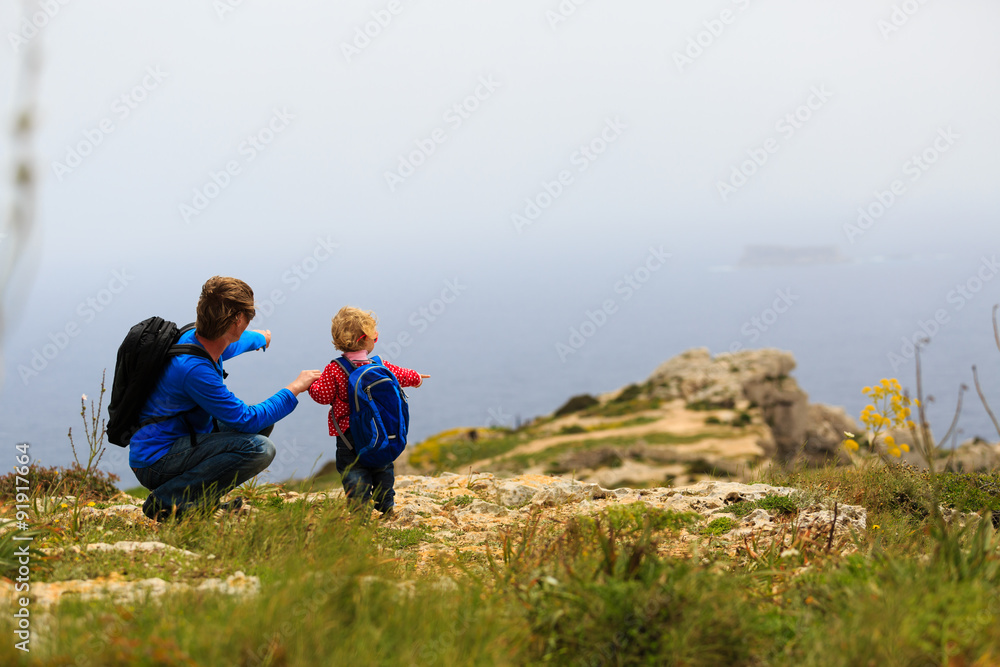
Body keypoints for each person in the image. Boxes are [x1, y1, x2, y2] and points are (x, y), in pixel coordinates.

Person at [129, 276, 321, 521]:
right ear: (238, 321)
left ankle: (199, 502)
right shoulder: (193, 369)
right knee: (260, 449)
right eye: (248, 318)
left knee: (265, 422)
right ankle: (167, 502)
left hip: (176, 440)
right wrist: (294, 388)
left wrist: (261, 338)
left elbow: (234, 344)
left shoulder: (197, 337)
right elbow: (245, 420)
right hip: (156, 461)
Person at [307, 306, 428, 517]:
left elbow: (322, 396)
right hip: (377, 430)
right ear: (367, 340)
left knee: (353, 470)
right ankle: (386, 505)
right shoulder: (379, 365)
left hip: (347, 435)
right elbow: (402, 375)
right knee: (382, 466)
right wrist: (416, 378)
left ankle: (359, 511)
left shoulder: (335, 369)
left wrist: (310, 384)